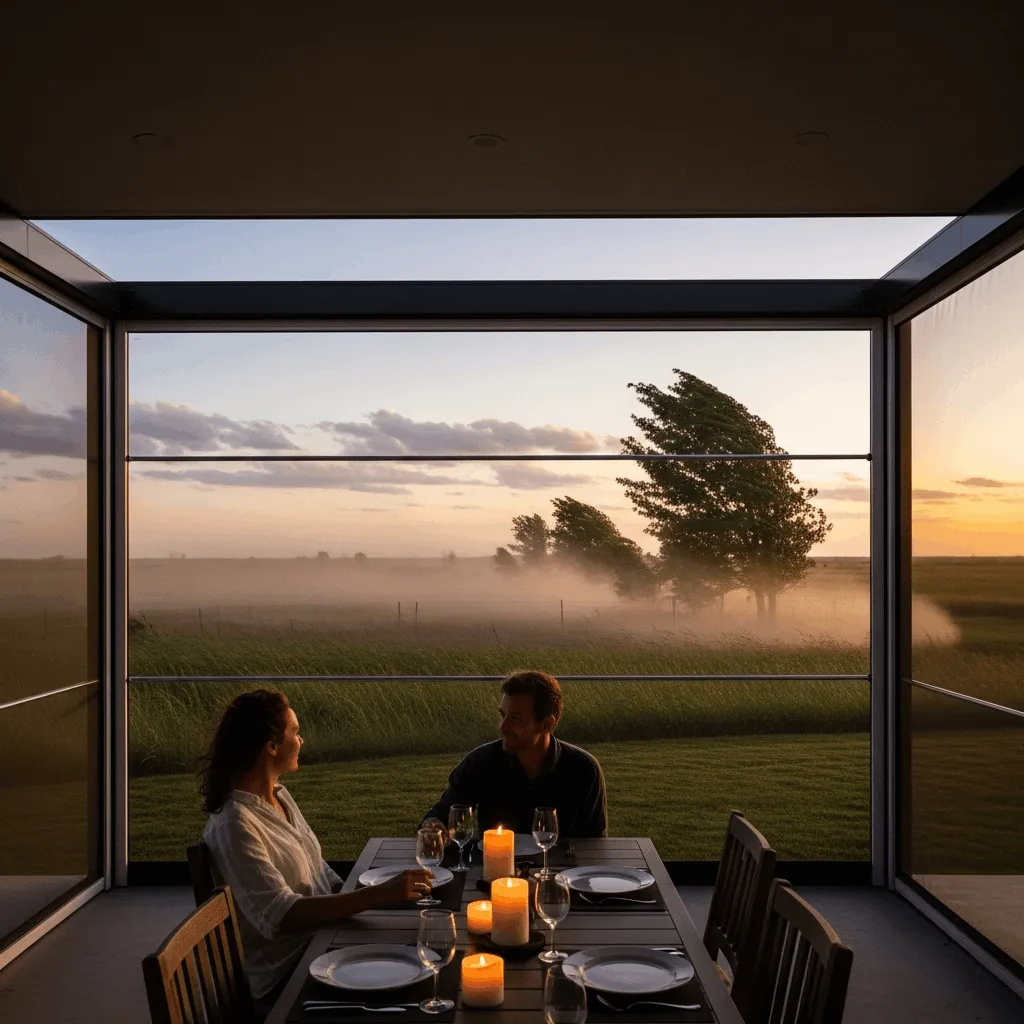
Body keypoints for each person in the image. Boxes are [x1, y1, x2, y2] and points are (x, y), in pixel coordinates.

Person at [199, 689, 431, 1007]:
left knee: (421, 948)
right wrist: (376, 895)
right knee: (418, 982)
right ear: (271, 746)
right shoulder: (235, 825)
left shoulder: (278, 797)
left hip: (324, 943)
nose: (302, 740)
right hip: (288, 976)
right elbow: (284, 915)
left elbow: (321, 873)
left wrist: (379, 896)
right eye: (295, 732)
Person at [422, 669, 607, 838]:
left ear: (546, 725)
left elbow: (595, 843)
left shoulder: (583, 770)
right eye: (502, 715)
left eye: (516, 719)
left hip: (560, 872)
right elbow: (442, 814)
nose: (503, 727)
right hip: (493, 872)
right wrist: (434, 827)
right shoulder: (481, 762)